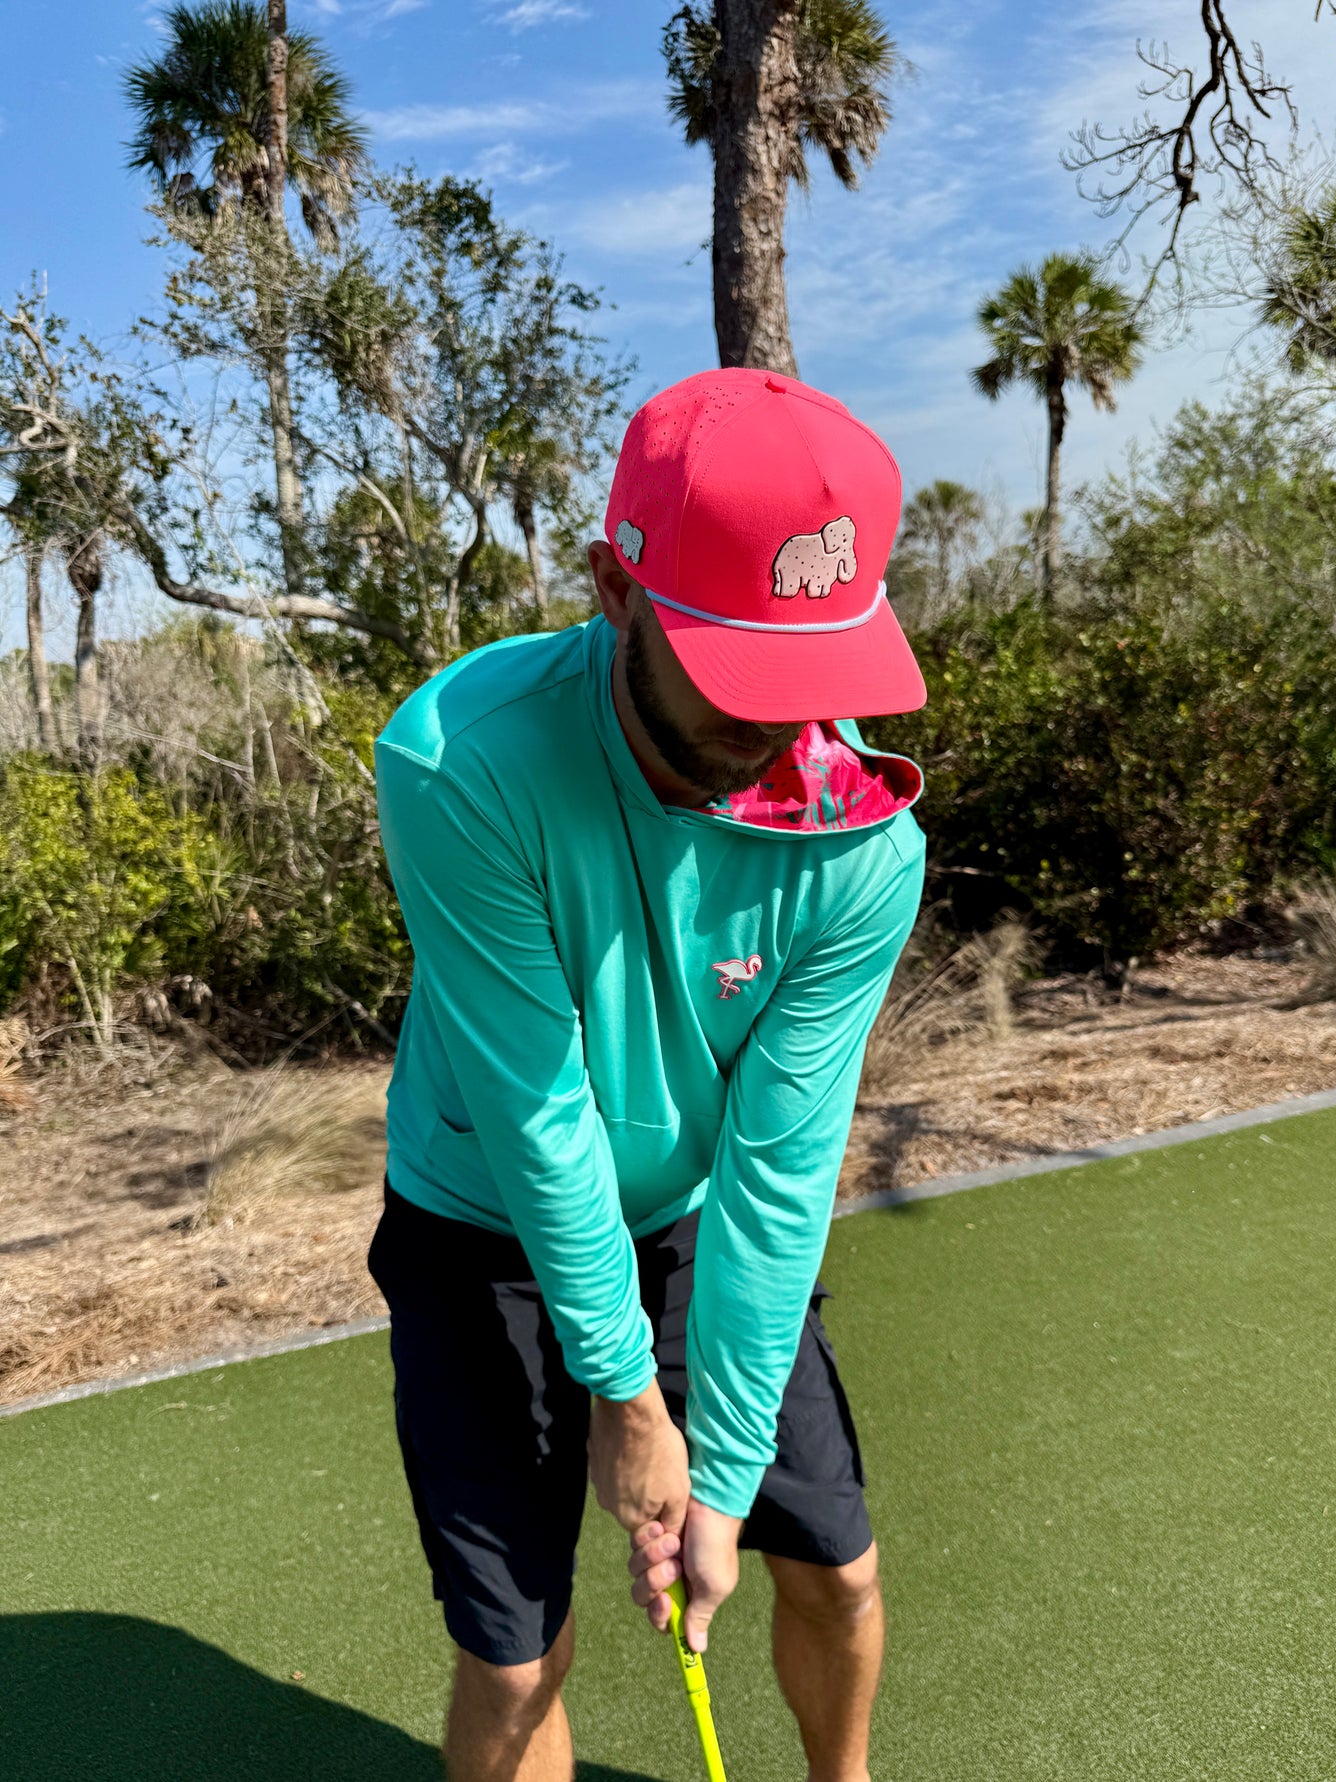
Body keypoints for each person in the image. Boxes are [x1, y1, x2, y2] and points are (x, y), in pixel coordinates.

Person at [368, 364, 929, 1781]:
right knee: (518, 1660)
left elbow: (780, 1171)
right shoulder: (458, 761)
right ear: (616, 588)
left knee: (838, 1570)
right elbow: (539, 1114)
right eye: (739, 673)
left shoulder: (864, 844)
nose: (778, 730)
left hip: (686, 1214)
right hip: (481, 1219)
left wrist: (719, 1479)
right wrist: (626, 1404)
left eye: (811, 674)